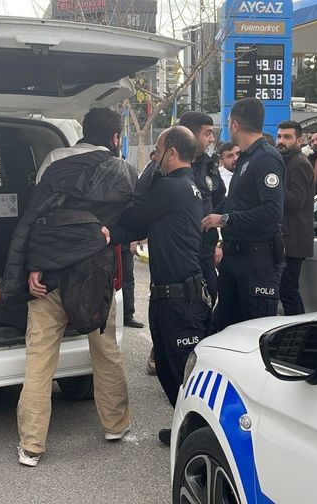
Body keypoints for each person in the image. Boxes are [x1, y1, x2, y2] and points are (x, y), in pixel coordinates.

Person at [1, 108, 135, 467]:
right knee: (104, 351)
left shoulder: (54, 161)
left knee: (40, 360)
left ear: (83, 132)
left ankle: (31, 445)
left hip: (49, 277)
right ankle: (115, 424)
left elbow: (35, 218)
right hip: (94, 276)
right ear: (116, 137)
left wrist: (32, 267)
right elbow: (130, 219)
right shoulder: (121, 171)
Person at [110, 125, 210, 447]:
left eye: (157, 151)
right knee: (167, 369)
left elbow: (135, 213)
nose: (155, 158)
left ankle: (202, 436)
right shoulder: (185, 187)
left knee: (183, 371)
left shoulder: (172, 187)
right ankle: (185, 427)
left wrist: (110, 228)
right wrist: (112, 236)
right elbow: (144, 226)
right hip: (170, 295)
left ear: (172, 152)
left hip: (181, 297)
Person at [201, 97, 285, 332]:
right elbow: (236, 202)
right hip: (235, 258)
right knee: (225, 328)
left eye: (228, 122)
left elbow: (272, 212)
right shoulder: (247, 157)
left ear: (235, 124)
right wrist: (207, 214)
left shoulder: (266, 158)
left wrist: (224, 220)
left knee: (252, 333)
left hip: (258, 262)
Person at [178, 112, 224, 304]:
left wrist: (219, 242)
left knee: (208, 296)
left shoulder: (210, 166)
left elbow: (220, 200)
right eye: (207, 133)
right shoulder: (167, 163)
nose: (212, 138)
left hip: (204, 249)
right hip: (178, 250)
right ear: (190, 134)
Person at [275, 121, 314, 315]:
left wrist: (273, 184)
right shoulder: (286, 161)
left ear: (299, 140)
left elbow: (297, 201)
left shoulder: (299, 163)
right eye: (279, 136)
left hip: (293, 240)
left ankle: (299, 336)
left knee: (288, 291)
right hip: (287, 238)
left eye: (287, 137)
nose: (281, 141)